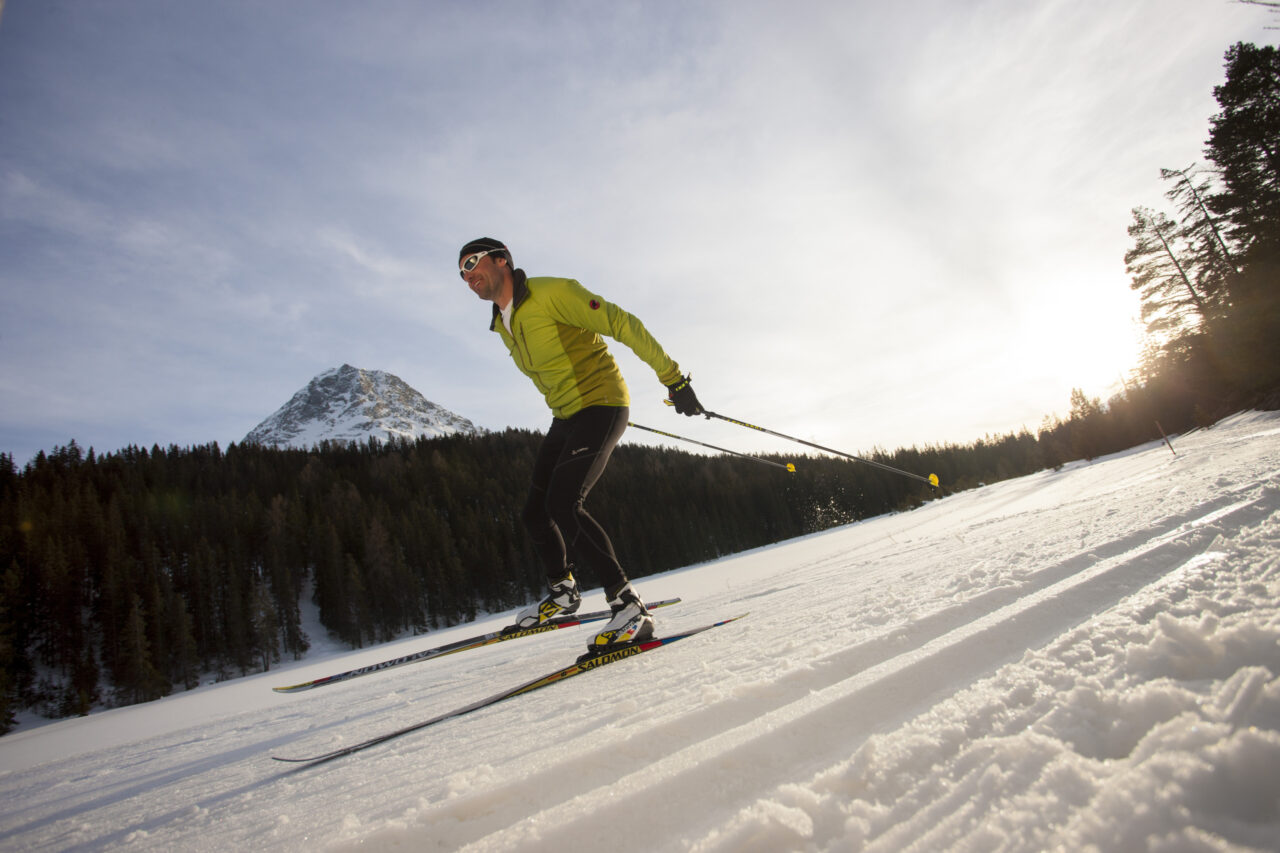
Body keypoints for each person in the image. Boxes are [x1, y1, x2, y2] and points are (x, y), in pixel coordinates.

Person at [457, 237, 704, 653]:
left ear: (502, 260)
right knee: (535, 513)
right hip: (567, 416)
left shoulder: (553, 292)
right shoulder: (502, 323)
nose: (468, 275)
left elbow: (621, 323)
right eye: (461, 272)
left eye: (473, 262)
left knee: (564, 504)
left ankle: (628, 606)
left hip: (601, 403)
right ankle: (563, 593)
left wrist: (674, 379)